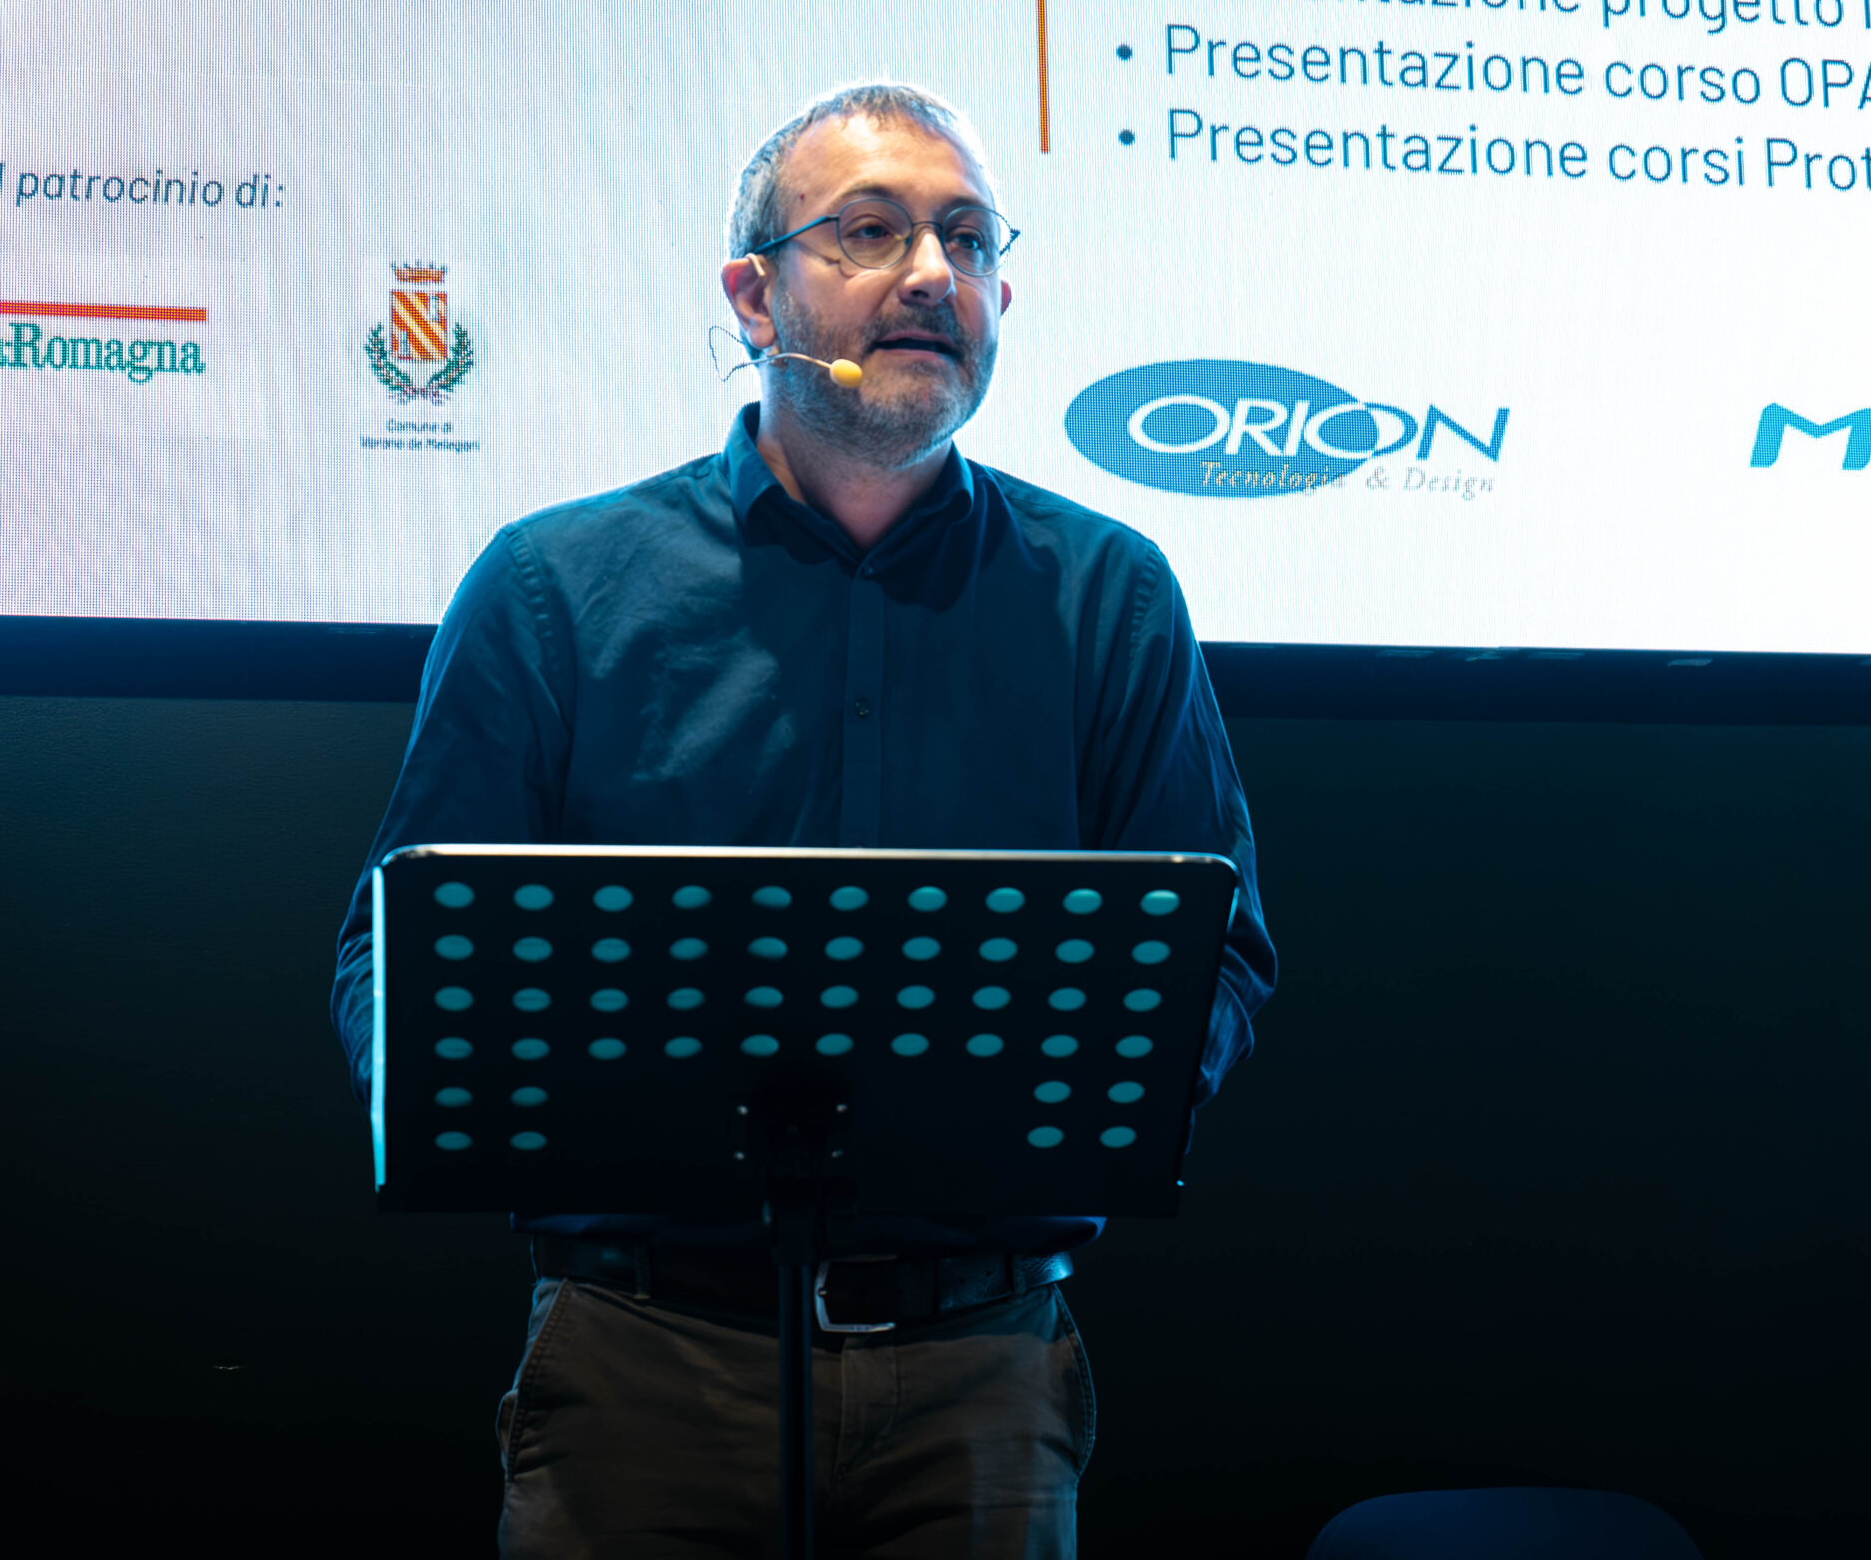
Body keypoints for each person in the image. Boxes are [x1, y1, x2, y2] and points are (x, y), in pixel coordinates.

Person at [329, 82, 1278, 1559]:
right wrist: (492, 1105)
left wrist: (1074, 1115)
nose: (932, 275)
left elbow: (1218, 953)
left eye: (968, 239)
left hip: (982, 1369)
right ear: (753, 293)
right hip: (648, 1360)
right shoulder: (553, 588)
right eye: (871, 231)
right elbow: (391, 957)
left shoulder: (1111, 595)